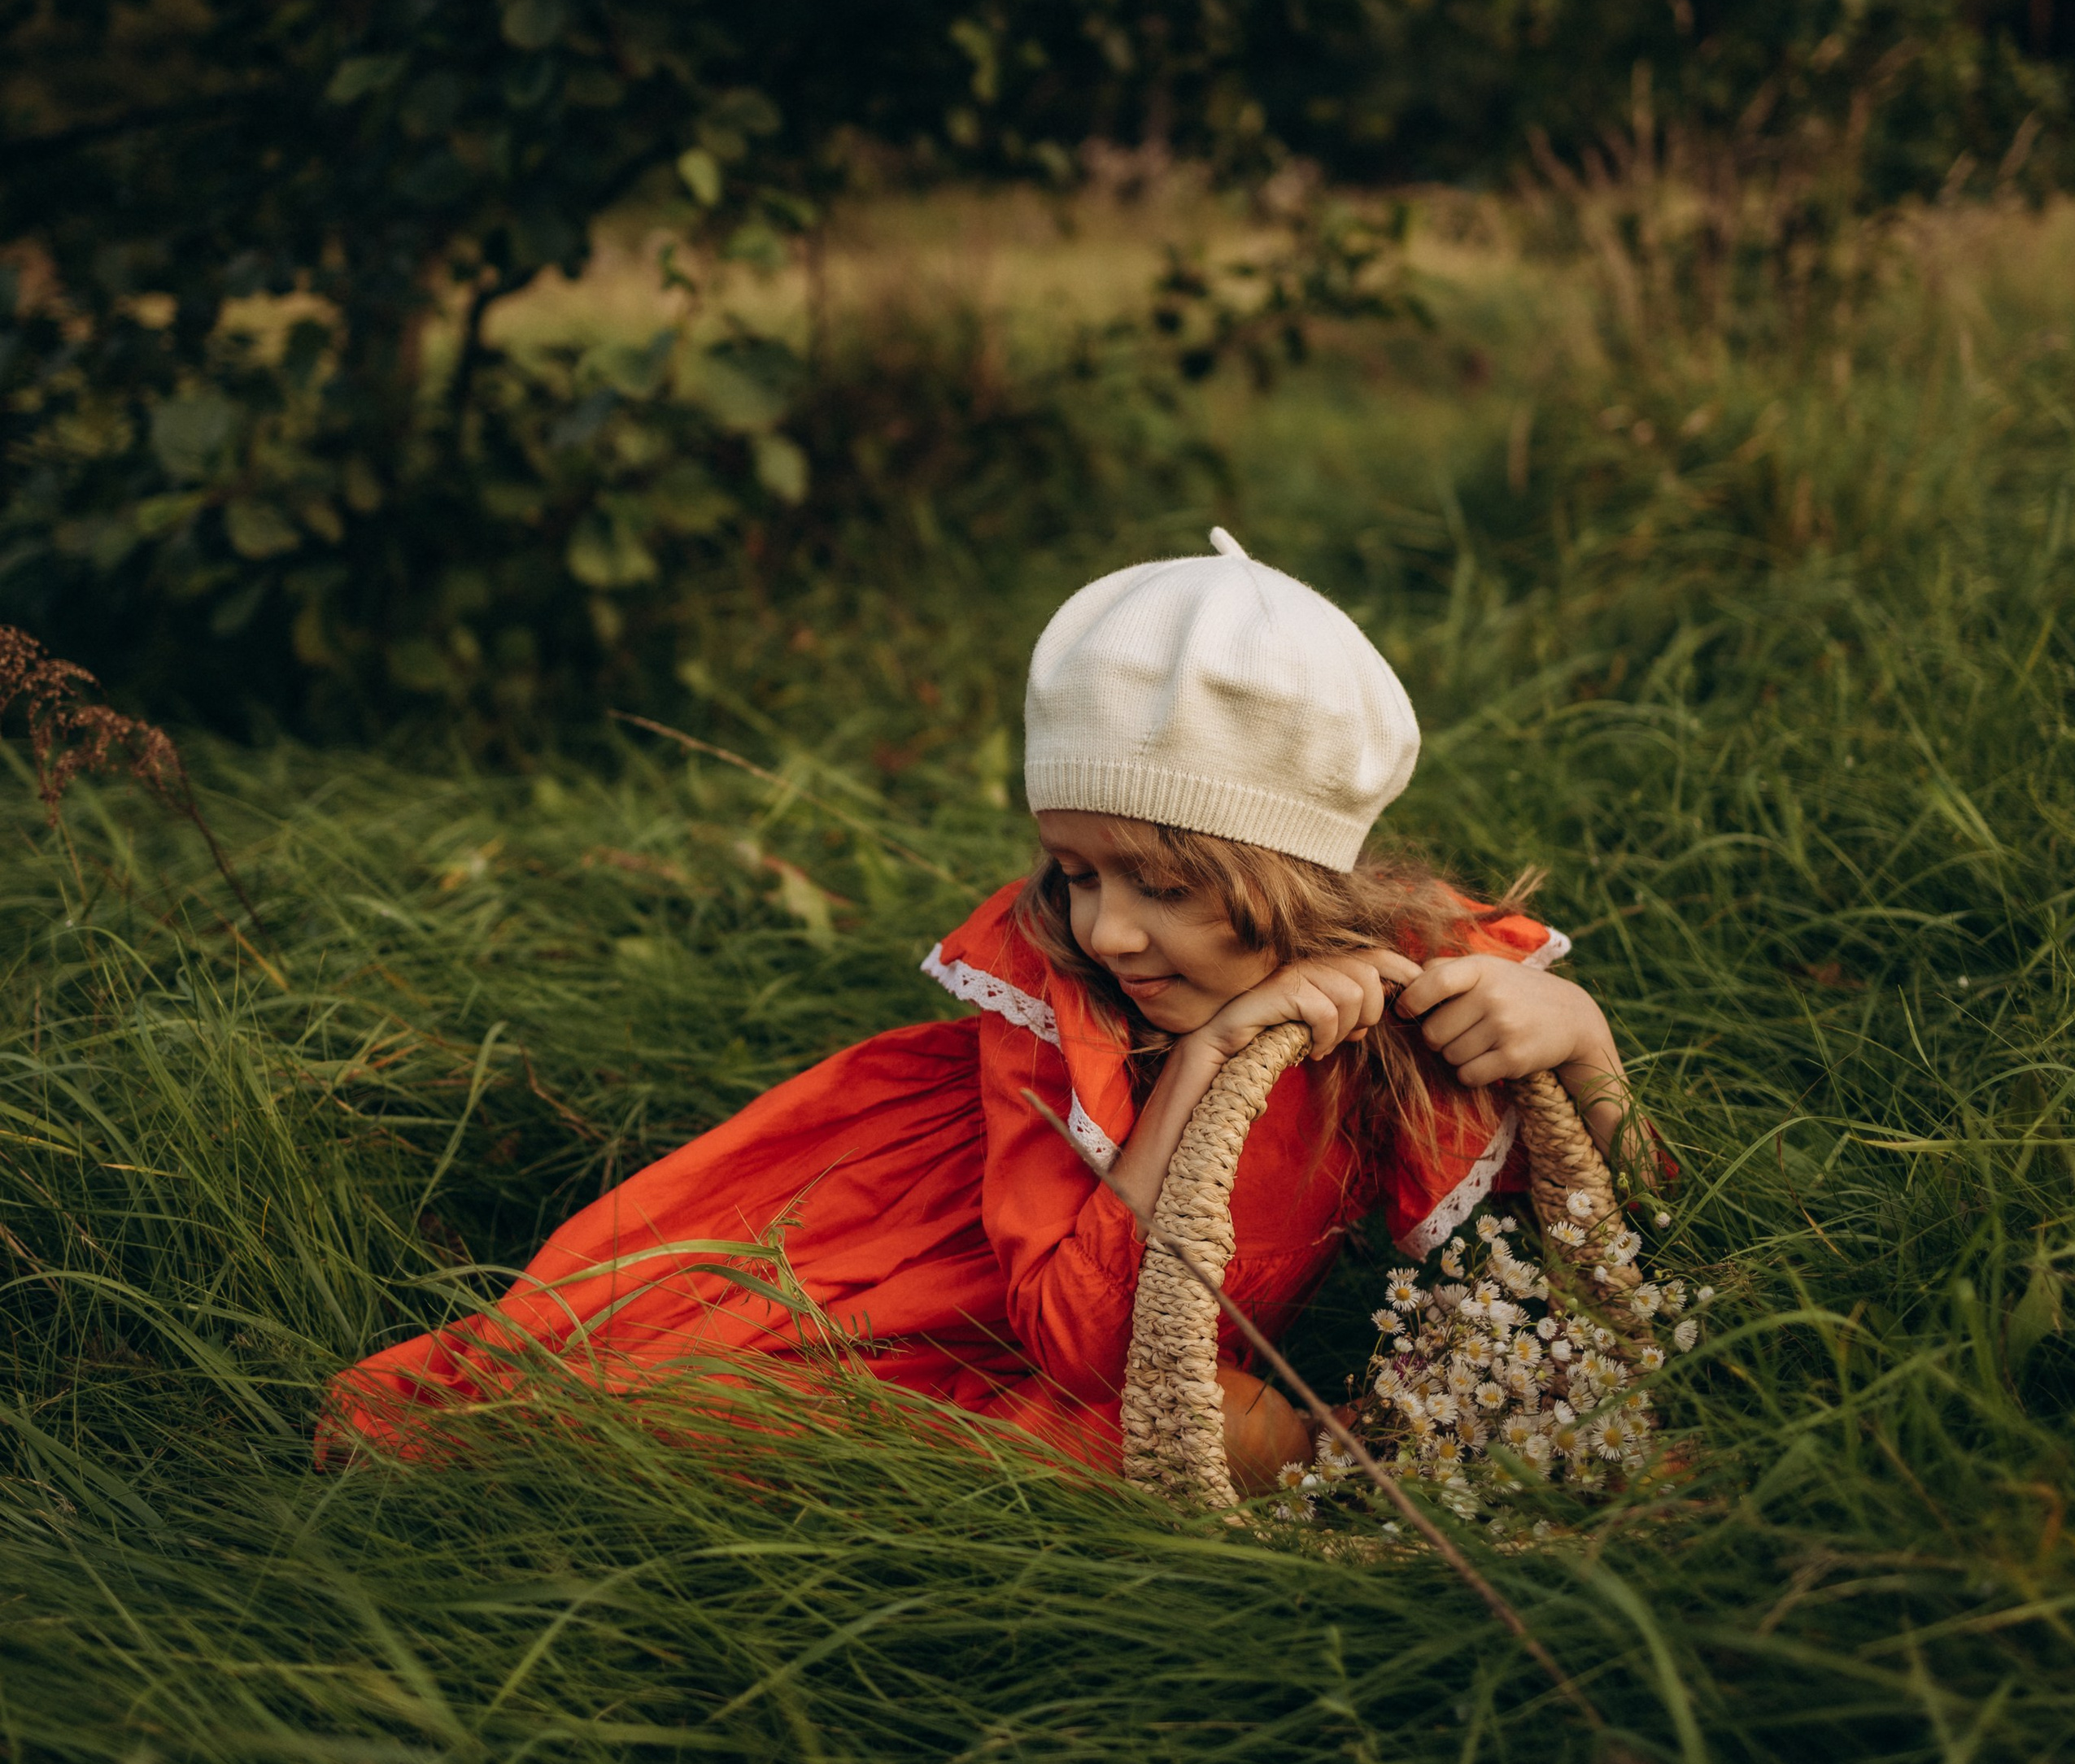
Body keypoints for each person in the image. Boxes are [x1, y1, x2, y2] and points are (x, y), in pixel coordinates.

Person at [325, 530, 1635, 1489]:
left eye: (1167, 885)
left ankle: (1390, 1471)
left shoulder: (1405, 981)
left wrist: (1579, 1036)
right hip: (925, 1274)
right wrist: (1211, 1056)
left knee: (1256, 1429)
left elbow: (1615, 1233)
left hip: (1104, 1338)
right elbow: (1078, 1339)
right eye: (1075, 872)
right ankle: (1358, 1474)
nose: (1108, 928)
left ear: (1295, 879)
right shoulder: (1057, 997)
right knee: (719, 1411)